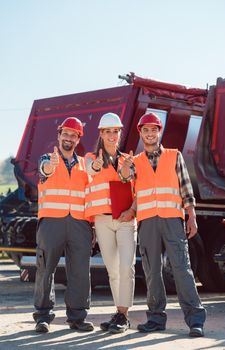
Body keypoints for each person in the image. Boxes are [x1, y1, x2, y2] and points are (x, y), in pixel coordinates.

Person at [119, 112, 206, 337]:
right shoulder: (135, 161)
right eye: (145, 130)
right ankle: (156, 318)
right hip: (147, 221)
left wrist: (192, 216)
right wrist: (127, 168)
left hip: (172, 219)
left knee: (182, 269)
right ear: (141, 134)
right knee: (152, 271)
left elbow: (186, 189)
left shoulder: (174, 156)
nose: (150, 134)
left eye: (153, 130)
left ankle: (195, 320)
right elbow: (126, 180)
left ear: (159, 132)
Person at [33, 117, 94, 333]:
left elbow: (91, 194)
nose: (68, 138)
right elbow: (44, 170)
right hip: (52, 222)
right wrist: (50, 166)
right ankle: (42, 316)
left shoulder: (84, 165)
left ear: (78, 139)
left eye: (73, 135)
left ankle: (77, 317)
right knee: (45, 268)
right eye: (65, 134)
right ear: (59, 136)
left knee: (79, 270)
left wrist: (92, 224)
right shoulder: (47, 158)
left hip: (80, 223)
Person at [85, 112, 137, 334]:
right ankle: (119, 312)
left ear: (119, 133)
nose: (112, 135)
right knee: (113, 271)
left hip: (125, 219)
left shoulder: (128, 159)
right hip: (103, 221)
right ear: (101, 134)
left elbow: (138, 190)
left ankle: (124, 315)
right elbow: (90, 171)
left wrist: (132, 210)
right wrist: (97, 165)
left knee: (127, 267)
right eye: (108, 131)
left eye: (116, 131)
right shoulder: (90, 157)